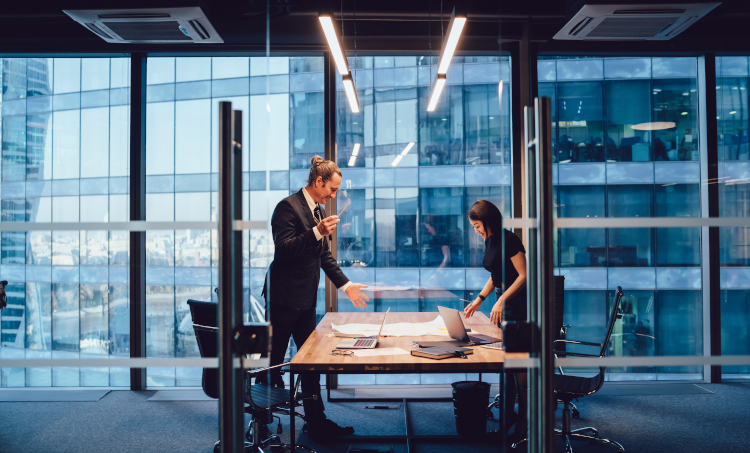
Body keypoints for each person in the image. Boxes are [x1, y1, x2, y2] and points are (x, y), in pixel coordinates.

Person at [260, 155, 370, 440]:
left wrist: (346, 286)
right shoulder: (287, 207)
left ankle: (316, 423)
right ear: (318, 182)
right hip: (282, 298)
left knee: (311, 365)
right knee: (272, 362)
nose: (334, 195)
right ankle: (260, 419)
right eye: (332, 189)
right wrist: (317, 231)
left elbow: (324, 256)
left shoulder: (317, 212)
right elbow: (284, 249)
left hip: (306, 300)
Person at [463, 200, 528, 442]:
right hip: (504, 302)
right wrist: (481, 298)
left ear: (488, 222)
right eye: (473, 227)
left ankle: (524, 421)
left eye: (477, 225)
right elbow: (496, 275)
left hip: (519, 307)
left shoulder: (510, 240)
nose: (476, 231)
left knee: (519, 369)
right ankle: (509, 415)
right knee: (507, 365)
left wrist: (501, 301)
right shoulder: (491, 241)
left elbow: (524, 275)